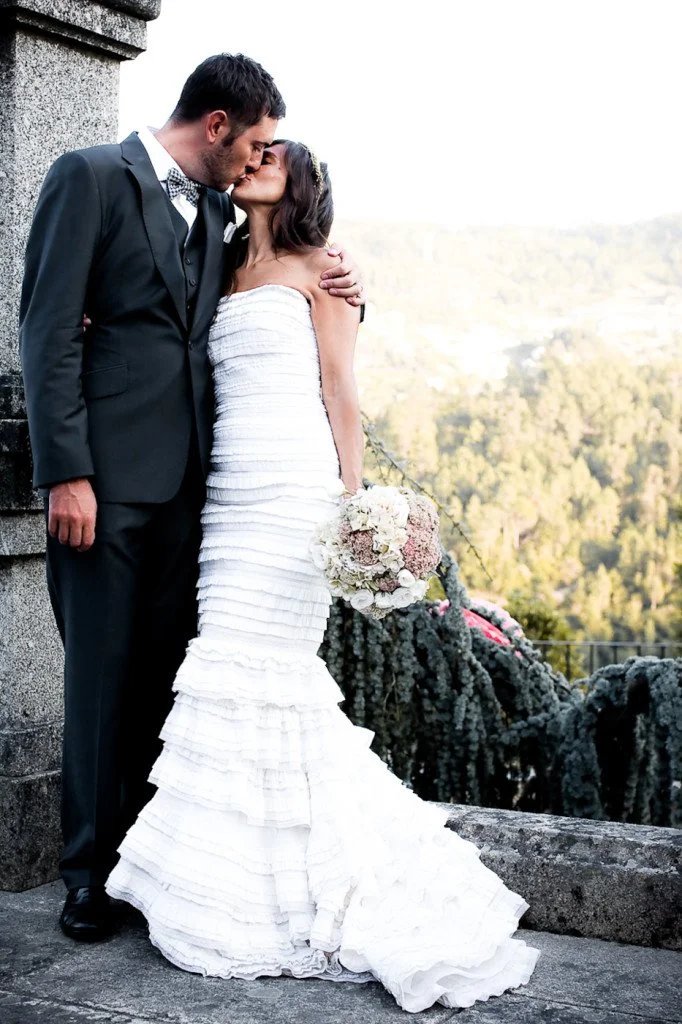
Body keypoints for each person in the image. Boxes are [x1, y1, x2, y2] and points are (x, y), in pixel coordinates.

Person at [105, 139, 540, 1014]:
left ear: (302, 185)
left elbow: (342, 391)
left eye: (276, 157)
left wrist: (353, 508)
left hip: (295, 492)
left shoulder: (322, 271)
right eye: (254, 153)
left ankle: (307, 891)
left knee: (267, 672)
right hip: (227, 493)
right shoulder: (217, 265)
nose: (257, 161)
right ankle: (231, 891)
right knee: (223, 660)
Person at [18, 53, 364, 944]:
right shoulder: (90, 176)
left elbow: (283, 290)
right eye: (252, 143)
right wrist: (66, 471)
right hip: (100, 487)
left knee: (169, 685)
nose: (256, 162)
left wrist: (347, 278)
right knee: (99, 682)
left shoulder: (219, 215)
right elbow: (48, 330)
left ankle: (148, 866)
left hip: (199, 495)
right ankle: (87, 878)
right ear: (216, 125)